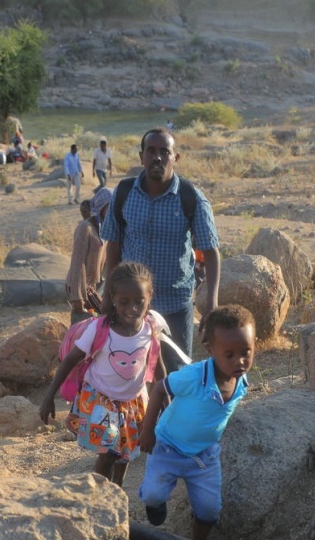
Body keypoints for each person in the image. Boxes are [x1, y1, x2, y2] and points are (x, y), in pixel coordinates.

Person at [100, 127, 220, 372]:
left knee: (177, 372)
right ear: (141, 156)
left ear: (176, 158)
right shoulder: (123, 194)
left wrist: (212, 305)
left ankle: (172, 411)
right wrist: (108, 297)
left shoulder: (191, 198)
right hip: (130, 306)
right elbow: (113, 245)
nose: (157, 157)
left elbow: (211, 252)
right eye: (151, 151)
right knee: (130, 370)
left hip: (175, 304)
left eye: (164, 152)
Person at [39, 262, 167, 487]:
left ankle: (116, 490)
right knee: (108, 451)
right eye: (124, 302)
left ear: (150, 297)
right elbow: (71, 359)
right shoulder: (100, 329)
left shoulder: (150, 329)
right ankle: (99, 494)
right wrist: (49, 397)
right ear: (113, 298)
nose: (132, 308)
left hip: (133, 401)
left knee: (125, 452)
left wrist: (167, 404)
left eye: (139, 301)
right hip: (100, 397)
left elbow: (158, 368)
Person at [137, 304, 255, 540]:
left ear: (256, 345)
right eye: (229, 354)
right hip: (168, 446)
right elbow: (160, 388)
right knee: (152, 494)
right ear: (210, 349)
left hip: (204, 457)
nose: (239, 361)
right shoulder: (194, 376)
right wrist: (147, 432)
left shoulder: (241, 382)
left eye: (246, 352)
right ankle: (156, 505)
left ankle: (197, 538)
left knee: (210, 511)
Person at [66, 188, 112, 325]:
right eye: (110, 206)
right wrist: (77, 296)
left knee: (100, 321)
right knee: (86, 323)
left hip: (97, 285)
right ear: (102, 206)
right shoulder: (86, 228)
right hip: (82, 286)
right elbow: (77, 262)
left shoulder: (107, 226)